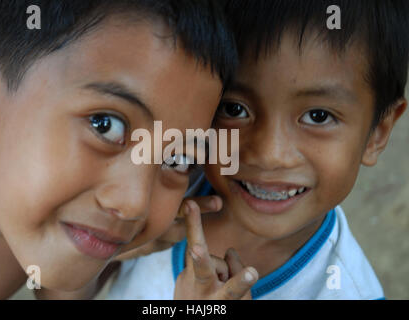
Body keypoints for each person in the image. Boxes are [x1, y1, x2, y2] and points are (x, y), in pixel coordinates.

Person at [107, 0, 408, 300]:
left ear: (377, 134)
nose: (270, 154)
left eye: (318, 116)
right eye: (234, 109)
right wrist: (108, 251)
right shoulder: (157, 188)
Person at [0, 0, 246, 299]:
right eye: (104, 125)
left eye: (178, 159)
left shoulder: (6, 205)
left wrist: (92, 240)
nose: (135, 204)